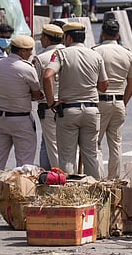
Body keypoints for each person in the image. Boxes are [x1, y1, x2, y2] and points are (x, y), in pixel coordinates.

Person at [43, 21, 109, 177]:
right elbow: (104, 85)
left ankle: (69, 194)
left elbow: (47, 76)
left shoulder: (61, 54)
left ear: (68, 38)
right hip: (92, 110)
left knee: (67, 157)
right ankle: (95, 193)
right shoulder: (95, 55)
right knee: (91, 155)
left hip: (69, 110)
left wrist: (51, 102)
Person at [0, 35, 44, 210]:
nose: (30, 54)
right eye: (29, 51)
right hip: (20, 118)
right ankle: (22, 199)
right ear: (23, 51)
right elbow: (35, 93)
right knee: (25, 163)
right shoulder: (26, 68)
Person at [93, 19, 132, 181]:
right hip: (118, 101)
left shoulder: (96, 51)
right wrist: (123, 102)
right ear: (117, 35)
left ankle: (97, 178)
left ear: (102, 33)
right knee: (116, 144)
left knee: (95, 143)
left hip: (99, 101)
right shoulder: (127, 53)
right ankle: (114, 179)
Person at [33, 23, 65, 169]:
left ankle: (60, 179)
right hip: (70, 105)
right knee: (69, 146)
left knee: (53, 146)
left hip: (49, 106)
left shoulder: (41, 58)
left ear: (46, 39)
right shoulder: (70, 53)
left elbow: (37, 84)